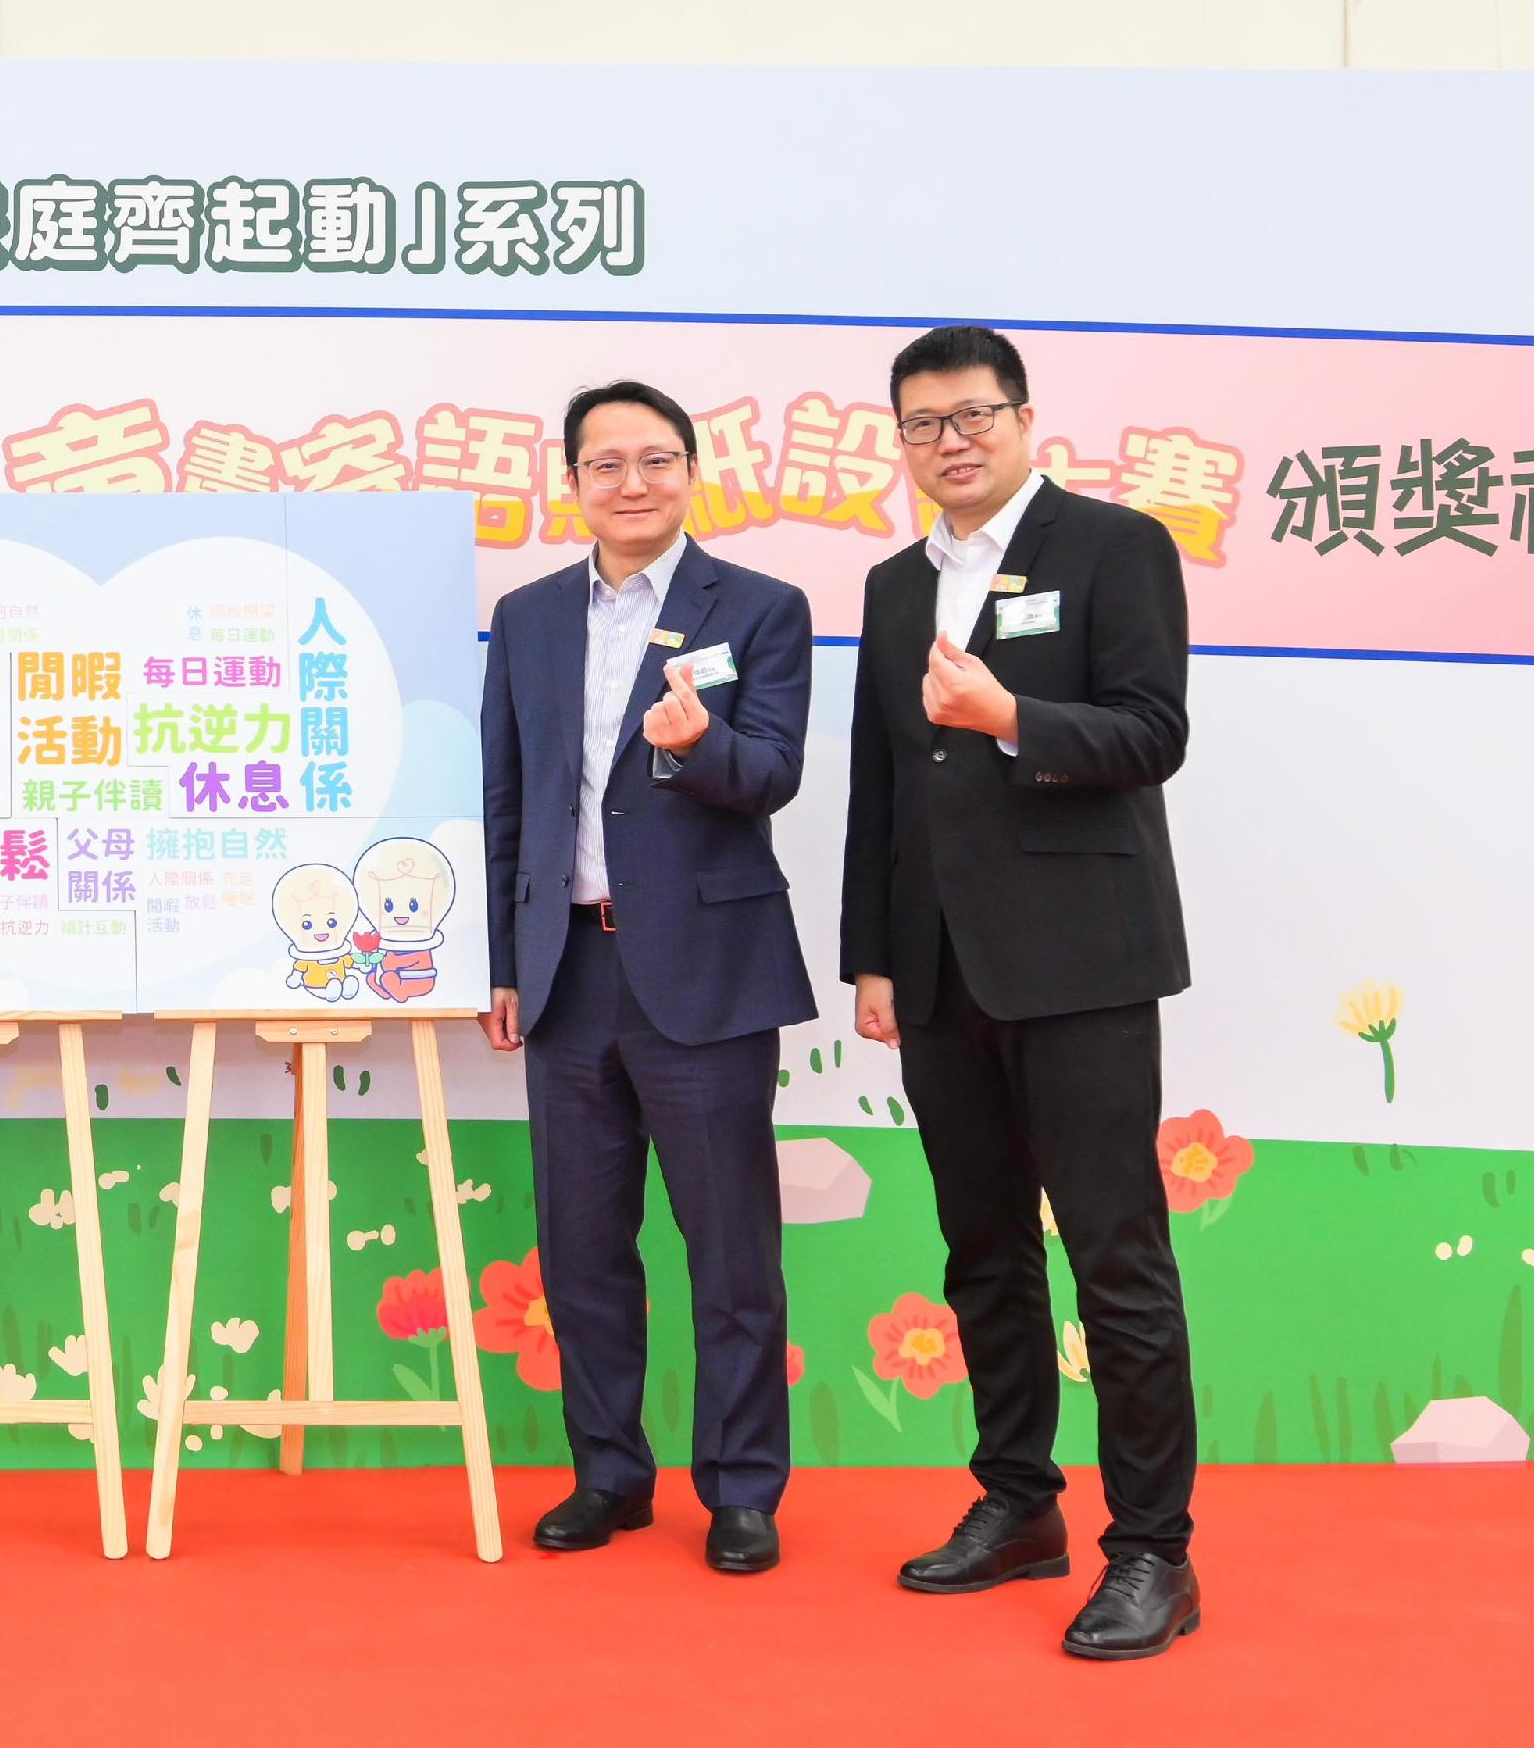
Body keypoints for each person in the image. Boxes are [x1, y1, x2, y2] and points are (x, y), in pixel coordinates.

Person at [840, 324, 1202, 1659]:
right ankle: (1017, 1506)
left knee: (1116, 1260)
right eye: (924, 424)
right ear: (902, 440)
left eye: (973, 415)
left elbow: (1154, 731)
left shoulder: (1114, 549)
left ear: (1024, 417)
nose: (951, 441)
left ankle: (1154, 1553)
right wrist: (873, 953)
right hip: (938, 972)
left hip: (1082, 964)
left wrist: (1011, 718)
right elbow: (883, 783)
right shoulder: (891, 585)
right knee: (984, 1254)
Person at [479, 380, 818, 1576]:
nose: (634, 481)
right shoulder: (523, 619)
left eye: (657, 458)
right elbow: (507, 797)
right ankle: (608, 1475)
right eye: (607, 462)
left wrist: (701, 746)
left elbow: (771, 770)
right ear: (570, 481)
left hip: (707, 975)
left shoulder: (763, 608)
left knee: (730, 1250)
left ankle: (738, 1490)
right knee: (581, 1251)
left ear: (691, 471)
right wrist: (505, 960)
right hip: (567, 971)